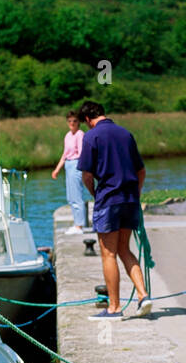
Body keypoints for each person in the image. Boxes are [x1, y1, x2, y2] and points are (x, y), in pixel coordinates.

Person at [76, 101, 151, 319]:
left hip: (109, 199)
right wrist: (135, 195)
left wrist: (95, 195)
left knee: (108, 253)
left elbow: (87, 175)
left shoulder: (91, 137)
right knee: (124, 249)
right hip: (129, 199)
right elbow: (141, 171)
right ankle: (143, 295)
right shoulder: (126, 134)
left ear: (89, 119)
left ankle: (115, 308)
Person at [51, 111, 88, 233]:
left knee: (77, 196)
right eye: (70, 121)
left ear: (79, 122)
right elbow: (65, 154)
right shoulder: (68, 135)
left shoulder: (80, 134)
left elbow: (82, 153)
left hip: (76, 164)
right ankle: (76, 223)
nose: (72, 123)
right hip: (68, 165)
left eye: (75, 121)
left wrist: (82, 169)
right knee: (70, 197)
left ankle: (80, 226)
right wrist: (57, 169)